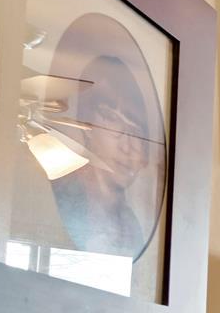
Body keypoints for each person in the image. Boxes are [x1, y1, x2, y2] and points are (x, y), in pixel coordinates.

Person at [51, 48, 163, 260]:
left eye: (137, 131)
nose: (127, 146)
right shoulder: (62, 199)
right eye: (111, 118)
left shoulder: (133, 229)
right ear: (86, 122)